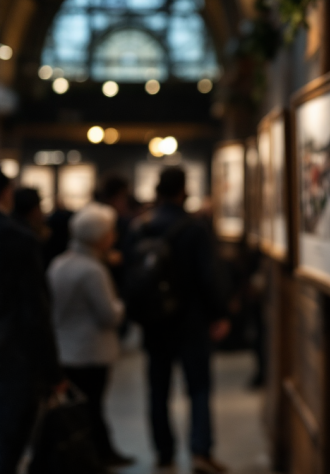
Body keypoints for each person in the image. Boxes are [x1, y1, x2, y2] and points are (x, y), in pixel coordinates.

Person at [125, 167, 231, 474]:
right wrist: (219, 313)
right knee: (198, 387)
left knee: (157, 389)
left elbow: (131, 274)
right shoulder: (194, 228)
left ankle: (164, 453)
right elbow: (208, 276)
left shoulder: (142, 226)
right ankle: (200, 451)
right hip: (190, 319)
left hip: (154, 320)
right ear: (183, 190)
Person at [47, 203, 133, 467]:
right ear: (99, 237)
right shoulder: (92, 270)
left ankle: (95, 453)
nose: (114, 237)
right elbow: (108, 315)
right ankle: (93, 456)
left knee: (82, 408)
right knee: (92, 407)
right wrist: (121, 306)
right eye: (109, 232)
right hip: (90, 349)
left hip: (65, 348)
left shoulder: (60, 263)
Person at [0, 172, 63, 474]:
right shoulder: (18, 238)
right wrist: (52, 370)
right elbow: (34, 309)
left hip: (12, 349)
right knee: (8, 439)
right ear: (6, 194)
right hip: (12, 353)